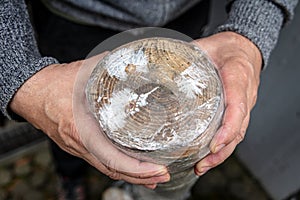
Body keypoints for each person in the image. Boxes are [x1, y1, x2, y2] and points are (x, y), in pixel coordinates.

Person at [0, 0, 298, 199]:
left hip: (185, 16)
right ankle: (70, 177)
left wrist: (251, 29)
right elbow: (48, 101)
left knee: (169, 140)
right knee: (68, 126)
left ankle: (137, 188)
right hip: (75, 18)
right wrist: (18, 72)